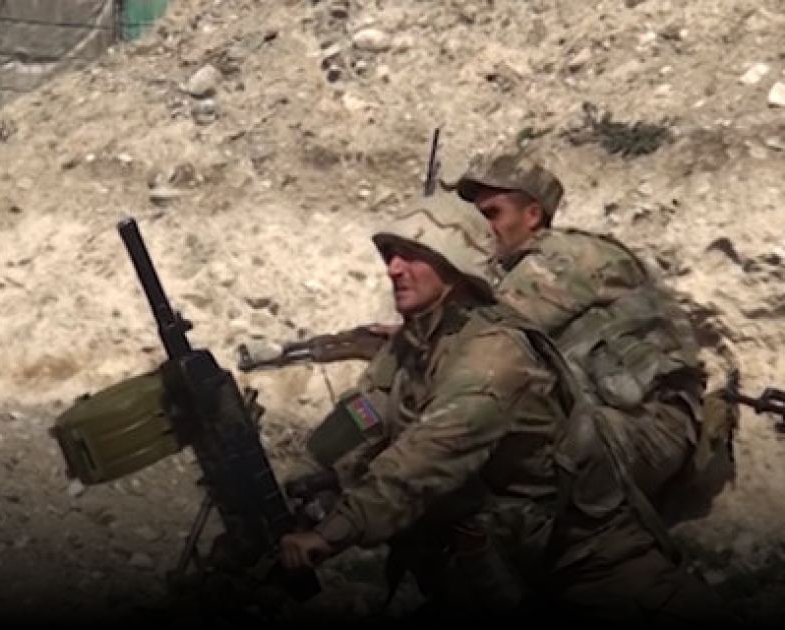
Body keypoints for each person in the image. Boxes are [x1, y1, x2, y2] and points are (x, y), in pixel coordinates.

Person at [277, 191, 736, 624]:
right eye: (390, 255)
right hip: (501, 568)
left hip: (582, 562)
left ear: (454, 264)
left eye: (412, 255)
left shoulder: (495, 351)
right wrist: (310, 470)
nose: (394, 268)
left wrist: (332, 533)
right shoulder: (415, 345)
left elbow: (430, 454)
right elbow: (366, 412)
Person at [450, 152, 736, 519]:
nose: (481, 228)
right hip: (603, 425)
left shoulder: (568, 257)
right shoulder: (508, 273)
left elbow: (488, 334)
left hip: (649, 427)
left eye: (492, 214)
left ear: (533, 215)